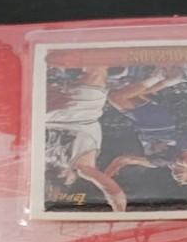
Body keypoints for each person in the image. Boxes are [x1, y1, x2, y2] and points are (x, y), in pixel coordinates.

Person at [105, 68, 187, 204]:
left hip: (146, 122)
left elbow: (123, 160)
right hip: (157, 124)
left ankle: (170, 79)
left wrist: (105, 178)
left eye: (179, 181)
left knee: (125, 92)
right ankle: (160, 76)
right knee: (116, 97)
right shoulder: (186, 160)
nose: (180, 179)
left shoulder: (157, 162)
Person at [43, 66, 128, 212]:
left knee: (98, 66)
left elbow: (112, 190)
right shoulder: (39, 158)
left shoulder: (82, 167)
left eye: (71, 181)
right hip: (47, 115)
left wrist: (119, 212)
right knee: (49, 64)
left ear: (66, 179)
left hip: (80, 111)